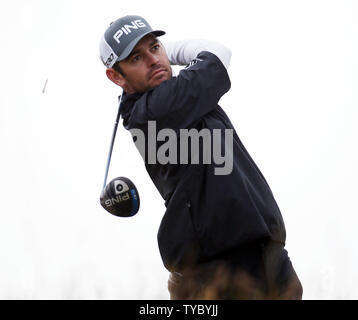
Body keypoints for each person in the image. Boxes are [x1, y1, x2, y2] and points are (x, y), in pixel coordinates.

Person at [99, 15, 303, 300]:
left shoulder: (176, 98)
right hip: (215, 271)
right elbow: (217, 53)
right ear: (116, 76)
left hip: (265, 257)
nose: (154, 60)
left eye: (155, 47)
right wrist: (164, 52)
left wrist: (149, 55)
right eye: (136, 58)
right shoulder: (155, 110)